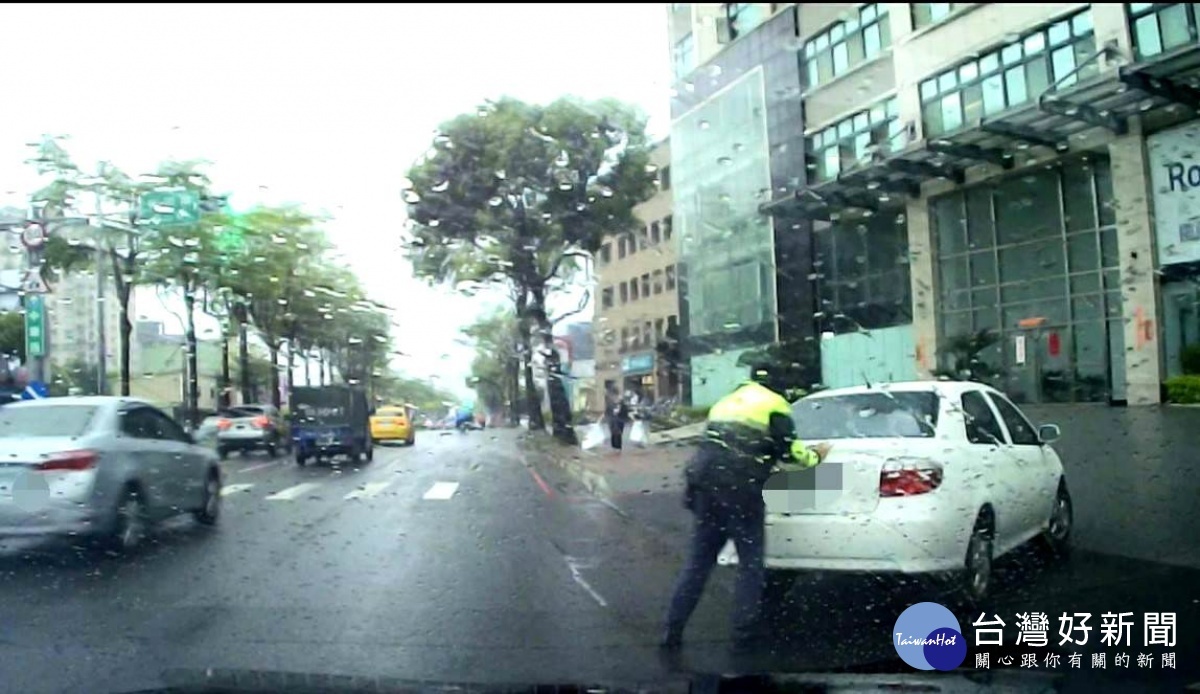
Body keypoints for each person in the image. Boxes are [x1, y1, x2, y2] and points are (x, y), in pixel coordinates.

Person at [660, 366, 832, 653]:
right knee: (750, 565)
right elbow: (790, 453)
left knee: (698, 564)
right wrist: (817, 457)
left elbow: (711, 446)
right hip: (742, 489)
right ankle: (744, 635)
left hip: (705, 485)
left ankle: (672, 629)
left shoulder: (726, 402)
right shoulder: (775, 405)